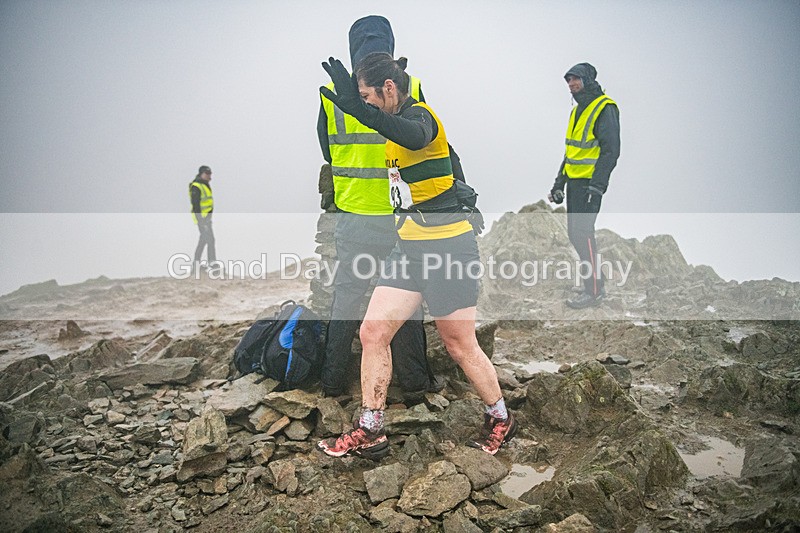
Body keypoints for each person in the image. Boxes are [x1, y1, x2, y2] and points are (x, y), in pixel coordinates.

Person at [316, 53, 516, 459]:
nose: (366, 105)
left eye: (369, 96)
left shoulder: (422, 117)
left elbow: (415, 137)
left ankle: (500, 418)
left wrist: (361, 111)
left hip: (449, 251)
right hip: (409, 248)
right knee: (373, 332)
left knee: (458, 344)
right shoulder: (390, 124)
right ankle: (371, 429)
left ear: (390, 89)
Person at [316, 16, 446, 400]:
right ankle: (416, 383)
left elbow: (327, 149)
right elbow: (422, 138)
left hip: (353, 210)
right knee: (404, 296)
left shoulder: (329, 92)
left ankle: (332, 382)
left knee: (346, 296)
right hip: (398, 210)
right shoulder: (410, 85)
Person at [548, 63, 620, 309]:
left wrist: (598, 186)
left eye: (575, 79)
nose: (571, 85)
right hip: (574, 184)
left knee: (583, 234)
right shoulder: (576, 111)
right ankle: (593, 285)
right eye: (568, 81)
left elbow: (611, 151)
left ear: (587, 79)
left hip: (591, 185)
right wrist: (559, 184)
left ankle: (595, 292)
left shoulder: (604, 108)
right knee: (575, 235)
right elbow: (571, 152)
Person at [189, 165, 216, 272]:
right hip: (202, 220)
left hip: (207, 219)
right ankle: (211, 265)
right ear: (201, 174)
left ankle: (197, 265)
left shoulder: (205, 185)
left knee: (206, 240)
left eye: (210, 174)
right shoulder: (196, 186)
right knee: (208, 240)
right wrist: (201, 221)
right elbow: (196, 206)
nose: (209, 177)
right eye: (207, 174)